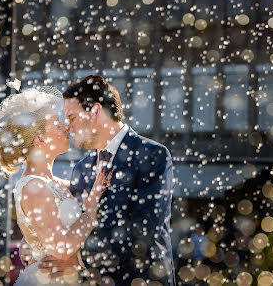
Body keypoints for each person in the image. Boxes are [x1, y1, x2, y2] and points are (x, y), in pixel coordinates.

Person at [31, 75, 177, 284]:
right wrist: (39, 248)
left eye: (72, 117)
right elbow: (75, 228)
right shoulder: (81, 170)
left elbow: (144, 231)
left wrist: (82, 260)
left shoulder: (152, 155)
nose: (68, 127)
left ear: (96, 111)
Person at [0, 86, 112, 285]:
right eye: (57, 124)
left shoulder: (58, 184)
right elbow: (61, 248)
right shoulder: (33, 188)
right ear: (40, 139)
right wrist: (90, 213)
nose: (66, 127)